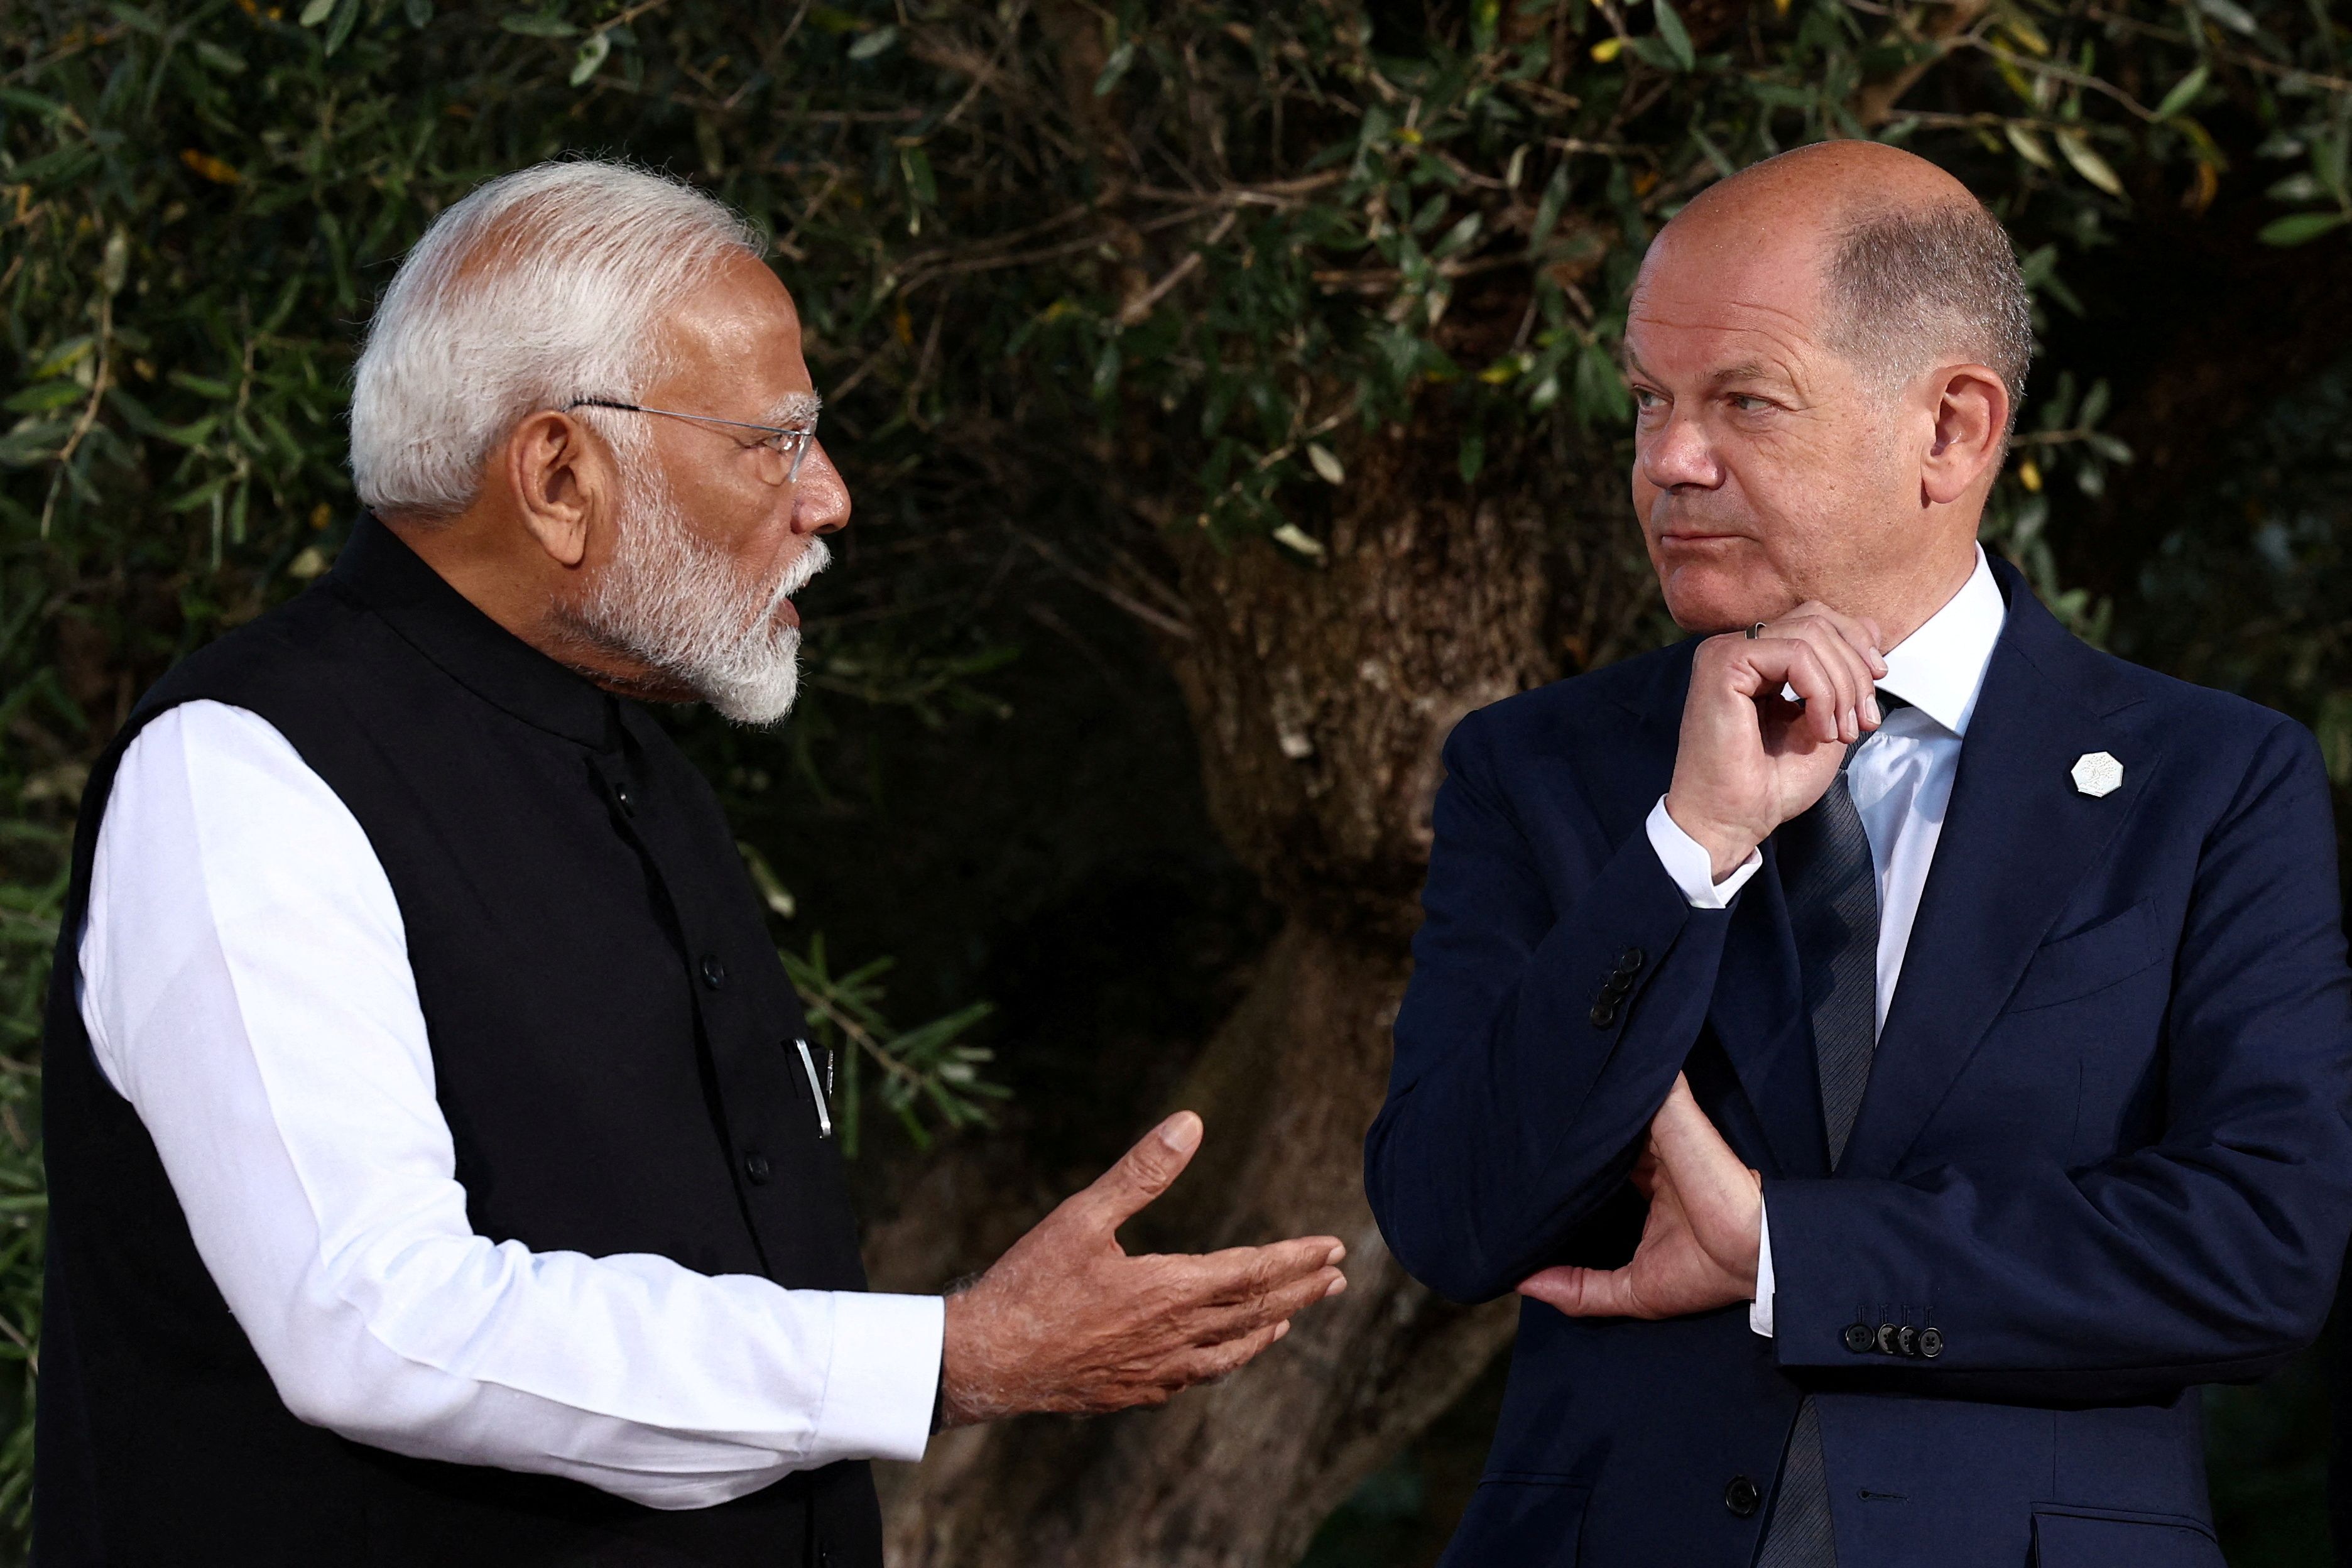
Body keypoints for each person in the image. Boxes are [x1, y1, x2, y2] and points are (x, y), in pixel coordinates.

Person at [36, 160, 1348, 1567]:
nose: (828, 498)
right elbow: (377, 1326)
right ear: (557, 476)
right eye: (772, 443)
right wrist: (951, 1357)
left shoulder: (637, 763)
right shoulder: (243, 769)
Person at [1365, 140, 2352, 1566]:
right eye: (1648, 403)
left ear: (1951, 427)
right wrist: (1688, 847)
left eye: (1742, 404)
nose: (1667, 462)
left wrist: (1786, 1249)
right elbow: (1452, 1218)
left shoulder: (2211, 781)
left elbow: (2257, 1251)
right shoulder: (1544, 772)